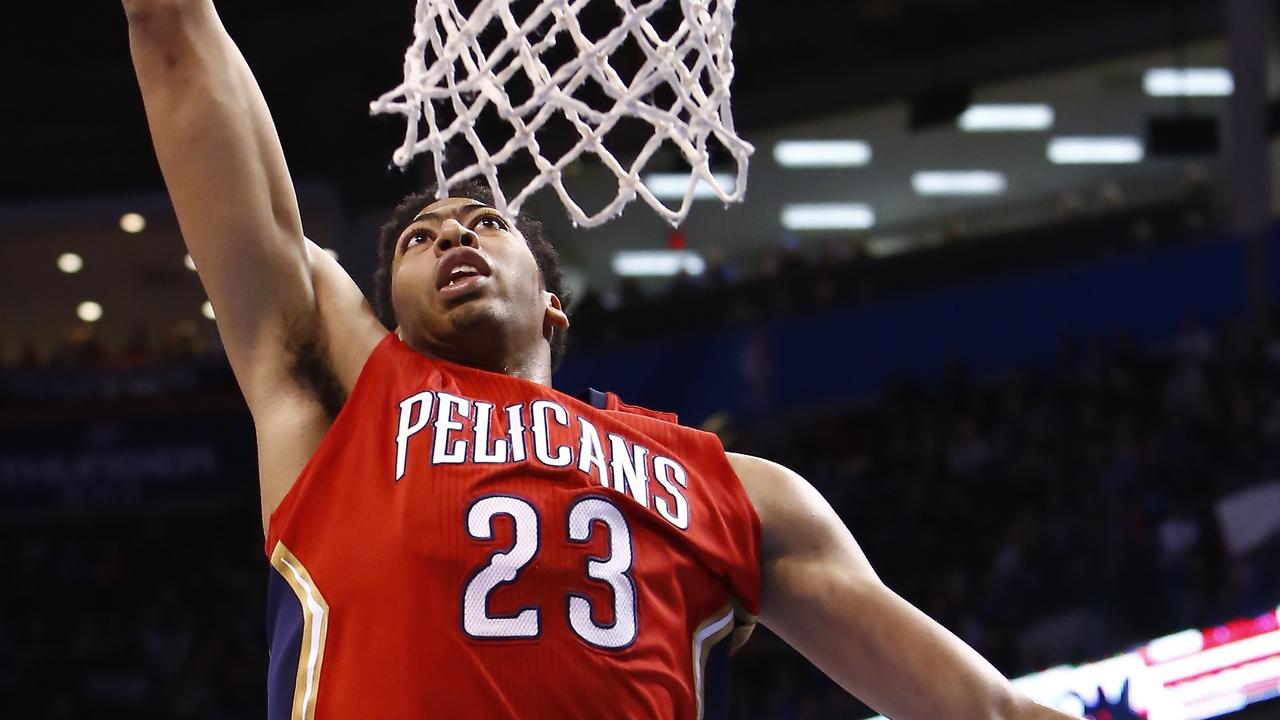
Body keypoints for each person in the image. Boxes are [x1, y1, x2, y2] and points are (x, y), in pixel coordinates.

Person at [122, 1, 1078, 718]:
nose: (452, 233)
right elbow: (172, 41)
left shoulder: (737, 492)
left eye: (486, 223)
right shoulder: (350, 403)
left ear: (551, 299)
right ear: (393, 318)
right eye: (419, 238)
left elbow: (984, 710)